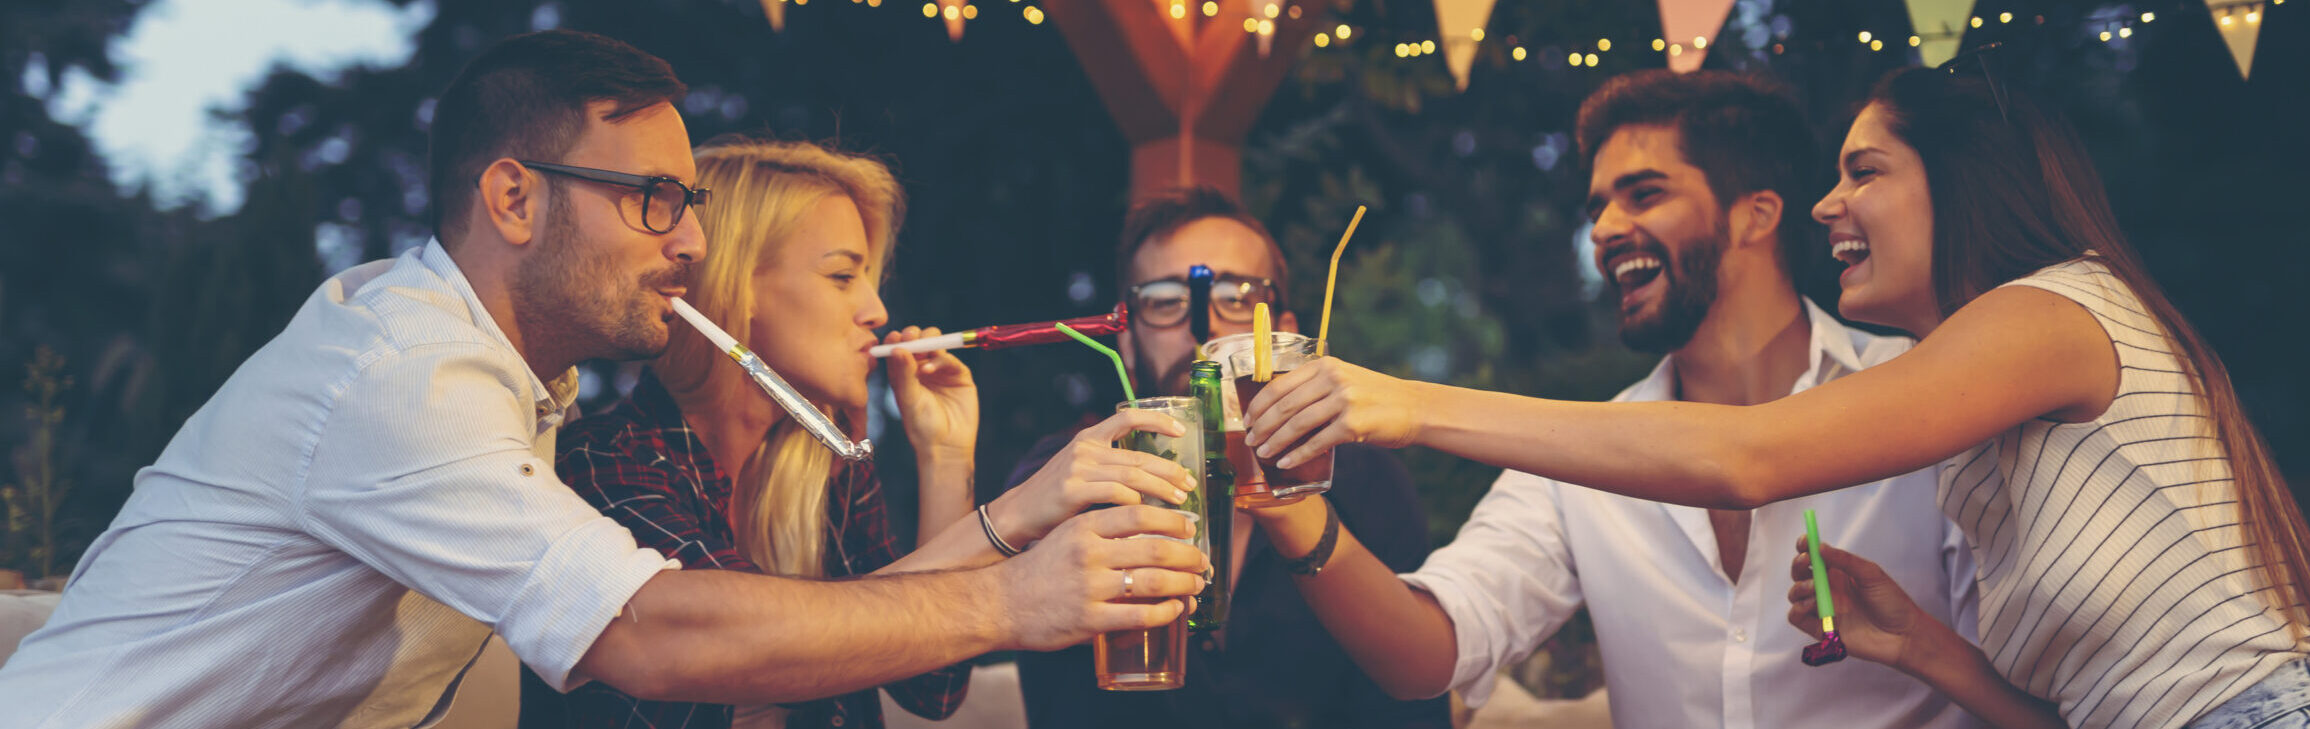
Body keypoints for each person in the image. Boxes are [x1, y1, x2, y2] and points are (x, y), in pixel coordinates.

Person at [0, 30, 1204, 729]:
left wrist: (1011, 510)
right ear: (513, 197)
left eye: (690, 204)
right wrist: (1015, 596)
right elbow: (651, 635)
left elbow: (801, 618)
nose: (687, 240)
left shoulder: (508, 375)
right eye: (652, 200)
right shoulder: (407, 378)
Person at [1238, 66, 2310, 729]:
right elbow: (1422, 655)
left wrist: (1397, 401)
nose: (1823, 206)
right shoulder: (1974, 436)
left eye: (1864, 173)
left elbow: (1750, 457)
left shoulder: (2046, 315)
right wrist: (1924, 648)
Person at [1233, 71, 1982, 729]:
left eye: (1644, 194)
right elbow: (1425, 655)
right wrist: (1288, 506)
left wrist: (1409, 403)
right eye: (1597, 208)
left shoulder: (1922, 396)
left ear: (1756, 214)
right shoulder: (1574, 455)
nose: (1604, 230)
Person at [529, 136, 1201, 729]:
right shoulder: (601, 466)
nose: (876, 310)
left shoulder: (829, 474)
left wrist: (943, 456)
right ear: (736, 286)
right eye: (843, 276)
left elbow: (931, 684)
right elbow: (747, 657)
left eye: (871, 281)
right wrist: (1015, 514)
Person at [1002, 186, 1451, 729]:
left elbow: (1411, 709)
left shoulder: (1366, 484)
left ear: (1282, 334)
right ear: (1126, 342)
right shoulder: (1062, 483)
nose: (1203, 326)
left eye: (1238, 299)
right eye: (1168, 301)